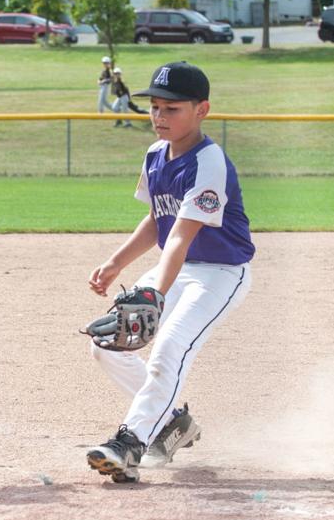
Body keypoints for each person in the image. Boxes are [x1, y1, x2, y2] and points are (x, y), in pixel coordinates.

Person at [85, 62, 254, 483]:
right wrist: (117, 262)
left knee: (168, 349)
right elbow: (157, 218)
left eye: (172, 108)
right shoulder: (156, 154)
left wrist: (154, 294)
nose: (160, 117)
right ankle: (173, 421)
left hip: (220, 274)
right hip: (176, 268)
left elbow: (181, 234)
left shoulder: (209, 160)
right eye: (155, 107)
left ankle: (130, 442)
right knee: (108, 341)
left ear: (202, 110)